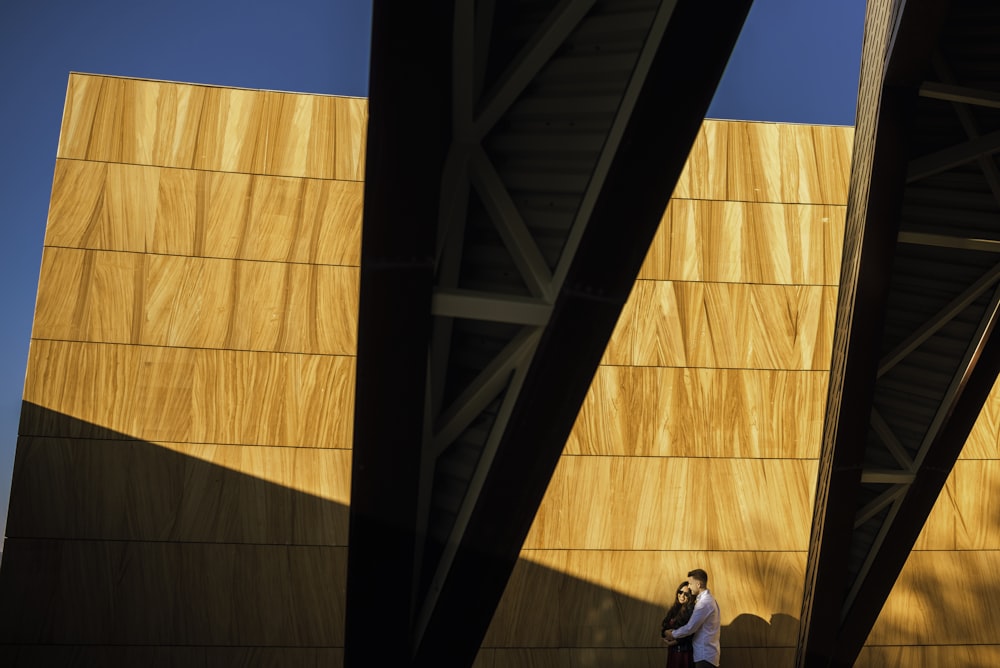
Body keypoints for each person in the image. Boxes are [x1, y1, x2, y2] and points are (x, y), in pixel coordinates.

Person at [664, 569, 721, 667]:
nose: (689, 587)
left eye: (690, 583)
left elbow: (690, 628)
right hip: (707, 655)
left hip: (704, 656)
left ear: (698, 584)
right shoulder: (709, 600)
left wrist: (672, 634)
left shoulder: (704, 603)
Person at [660, 581, 695, 668]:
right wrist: (665, 633)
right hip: (673, 652)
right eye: (680, 592)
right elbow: (664, 626)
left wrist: (674, 641)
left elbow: (691, 632)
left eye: (686, 594)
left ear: (690, 596)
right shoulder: (674, 609)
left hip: (684, 653)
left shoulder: (691, 610)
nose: (682, 596)